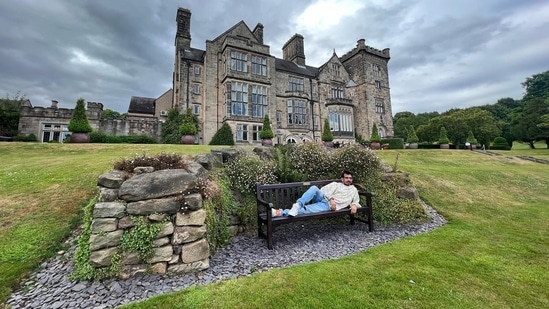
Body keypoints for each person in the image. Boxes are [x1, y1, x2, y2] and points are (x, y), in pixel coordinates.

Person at [272, 170, 361, 217]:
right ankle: (298, 204)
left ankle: (278, 212)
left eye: (350, 178)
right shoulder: (335, 184)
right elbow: (322, 190)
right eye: (346, 178)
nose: (349, 180)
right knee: (314, 188)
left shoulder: (354, 189)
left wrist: (354, 205)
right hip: (324, 199)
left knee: (305, 210)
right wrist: (331, 199)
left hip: (326, 206)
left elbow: (356, 201)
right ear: (342, 179)